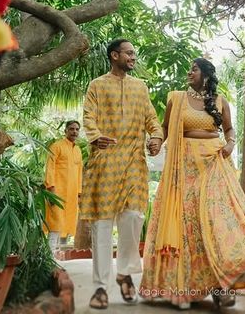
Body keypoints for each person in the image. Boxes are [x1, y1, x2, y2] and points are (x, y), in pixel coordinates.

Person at [140, 58, 245, 310]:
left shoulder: (219, 100)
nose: (189, 72)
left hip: (214, 164)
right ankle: (182, 288)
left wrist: (230, 144)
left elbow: (230, 130)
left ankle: (222, 285)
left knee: (218, 222)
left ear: (205, 74)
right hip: (183, 166)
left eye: (193, 69)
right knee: (186, 223)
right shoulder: (176, 98)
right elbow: (164, 127)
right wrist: (157, 142)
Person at [80, 38, 163, 310]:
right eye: (128, 53)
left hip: (133, 164)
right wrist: (95, 136)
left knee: (133, 219)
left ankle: (124, 273)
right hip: (105, 162)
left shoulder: (140, 88)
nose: (133, 57)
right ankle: (101, 287)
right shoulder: (97, 85)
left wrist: (156, 137)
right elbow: (88, 116)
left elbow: (152, 118)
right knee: (102, 226)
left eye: (134, 54)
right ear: (114, 56)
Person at [44, 120, 83, 254]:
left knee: (67, 225)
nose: (74, 132)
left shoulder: (77, 150)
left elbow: (79, 172)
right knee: (55, 225)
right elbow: (50, 167)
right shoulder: (57, 146)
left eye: (77, 129)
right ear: (65, 131)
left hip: (72, 194)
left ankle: (60, 259)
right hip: (57, 192)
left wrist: (79, 193)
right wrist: (51, 189)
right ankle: (49, 258)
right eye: (71, 129)